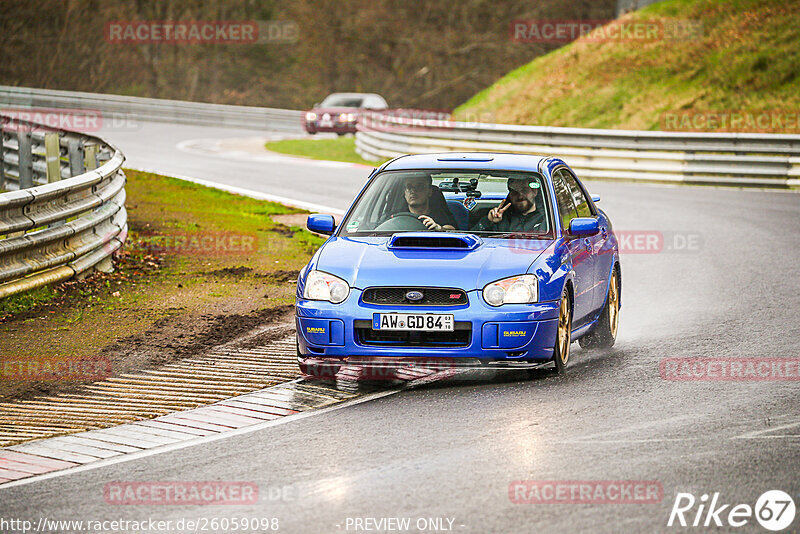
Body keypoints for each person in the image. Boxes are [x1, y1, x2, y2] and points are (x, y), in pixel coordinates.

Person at [471, 177, 546, 233]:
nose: (520, 196)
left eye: (524, 190)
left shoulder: (548, 218)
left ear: (534, 192)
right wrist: (488, 221)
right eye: (515, 192)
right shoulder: (501, 217)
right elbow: (473, 239)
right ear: (510, 195)